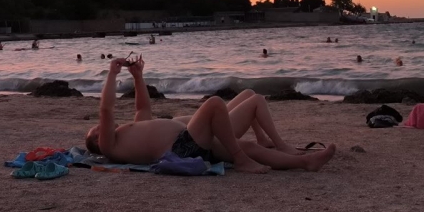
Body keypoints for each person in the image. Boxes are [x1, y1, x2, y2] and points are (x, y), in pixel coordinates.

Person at [85, 57, 336, 173]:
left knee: (250, 132)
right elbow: (106, 110)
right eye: (95, 131)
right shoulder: (111, 145)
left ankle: (306, 163)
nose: (100, 126)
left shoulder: (129, 132)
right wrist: (112, 74)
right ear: (98, 142)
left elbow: (142, 109)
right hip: (183, 147)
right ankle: (243, 157)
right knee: (215, 102)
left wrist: (138, 77)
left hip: (194, 141)